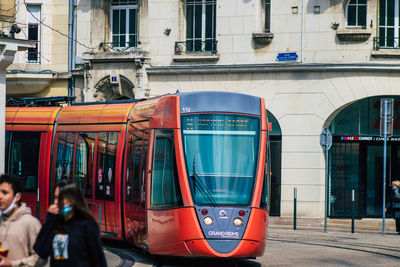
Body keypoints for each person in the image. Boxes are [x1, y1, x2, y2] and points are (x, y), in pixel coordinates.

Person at [33, 180, 107, 267]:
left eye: (60, 198)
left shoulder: (86, 224)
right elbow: (41, 251)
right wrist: (50, 220)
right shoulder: (56, 223)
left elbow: (98, 259)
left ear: (72, 199)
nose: (56, 202)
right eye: (55, 197)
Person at [0, 174, 41, 267]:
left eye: (4, 192)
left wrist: (13, 264)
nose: (0, 196)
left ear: (17, 196)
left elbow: (40, 258)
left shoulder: (30, 223)